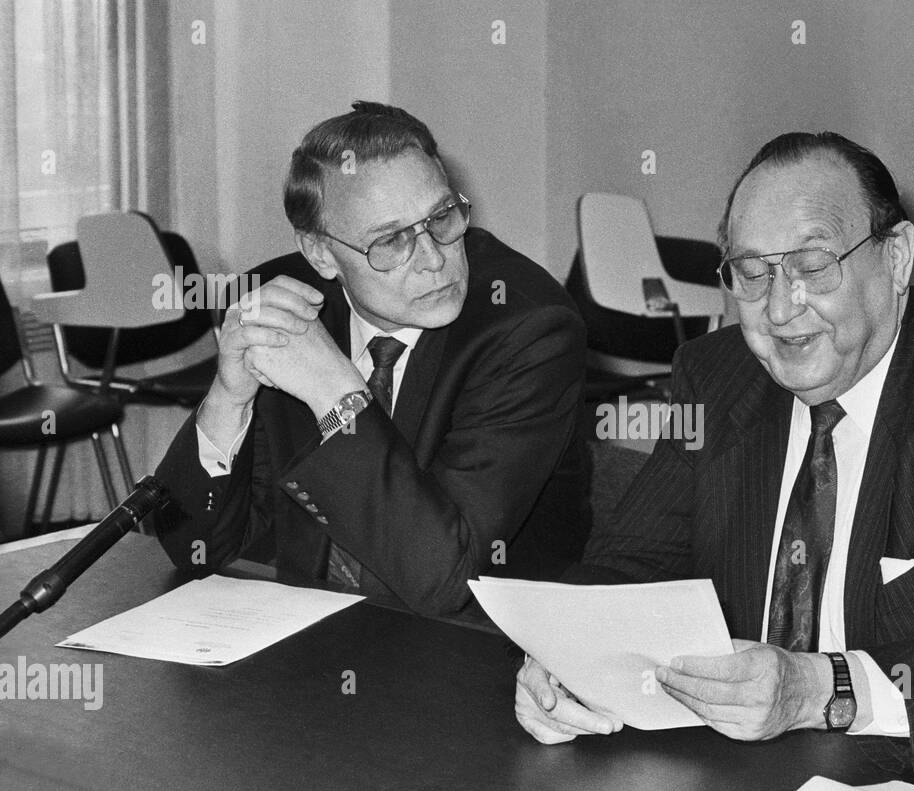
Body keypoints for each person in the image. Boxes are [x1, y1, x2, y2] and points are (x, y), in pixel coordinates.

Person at [515, 131, 914, 774]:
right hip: (780, 781)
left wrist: (821, 690)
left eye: (814, 267)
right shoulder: (718, 377)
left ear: (896, 259)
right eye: (752, 274)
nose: (781, 309)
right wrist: (565, 654)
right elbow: (632, 565)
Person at [154, 101, 589, 618]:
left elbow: (443, 579)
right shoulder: (287, 306)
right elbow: (197, 550)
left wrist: (337, 396)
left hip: (486, 648)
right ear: (320, 254)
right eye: (391, 240)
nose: (433, 260)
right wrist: (228, 401)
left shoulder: (527, 329)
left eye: (443, 217)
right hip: (317, 635)